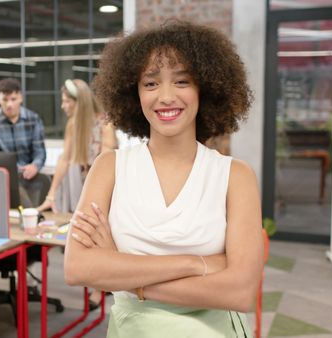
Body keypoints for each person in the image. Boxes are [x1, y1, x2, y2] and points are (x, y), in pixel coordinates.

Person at [63, 20, 263, 337]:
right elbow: (78, 268)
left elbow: (239, 292)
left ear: (205, 88)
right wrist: (197, 263)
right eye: (151, 83)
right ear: (134, 92)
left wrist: (126, 275)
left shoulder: (235, 175)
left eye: (182, 81)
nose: (166, 96)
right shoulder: (109, 167)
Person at [38, 78, 117, 213]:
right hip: (84, 183)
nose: (63, 106)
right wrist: (50, 196)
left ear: (80, 102)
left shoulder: (105, 124)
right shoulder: (73, 124)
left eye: (67, 101)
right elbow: (65, 159)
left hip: (105, 189)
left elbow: (106, 163)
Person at [0, 78, 47, 207]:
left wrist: (35, 166)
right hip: (2, 183)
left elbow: (40, 152)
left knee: (30, 216)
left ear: (20, 98)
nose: (9, 104)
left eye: (13, 99)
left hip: (29, 179)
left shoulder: (34, 120)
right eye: (5, 100)